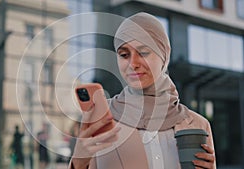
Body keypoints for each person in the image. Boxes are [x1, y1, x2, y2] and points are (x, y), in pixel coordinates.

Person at [70, 12, 216, 169]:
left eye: (143, 52)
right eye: (124, 55)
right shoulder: (100, 119)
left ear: (164, 55)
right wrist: (79, 162)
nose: (133, 63)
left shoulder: (198, 124)